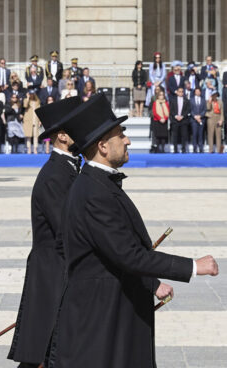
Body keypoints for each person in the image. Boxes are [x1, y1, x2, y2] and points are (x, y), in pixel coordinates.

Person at [47, 93, 220, 367]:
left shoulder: (97, 184)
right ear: (103, 146)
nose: (127, 140)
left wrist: (151, 283)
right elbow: (128, 255)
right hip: (102, 322)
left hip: (114, 314)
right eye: (120, 135)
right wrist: (193, 266)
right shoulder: (93, 192)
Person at [9, 96, 82, 368]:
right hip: (52, 274)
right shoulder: (54, 175)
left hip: (61, 270)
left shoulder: (70, 169)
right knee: (43, 354)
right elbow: (67, 232)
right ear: (62, 136)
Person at [169, 86, 190, 153]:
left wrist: (182, 116)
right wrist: (175, 116)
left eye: (182, 92)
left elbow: (188, 110)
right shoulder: (173, 100)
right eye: (179, 92)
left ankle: (183, 149)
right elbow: (171, 109)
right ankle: (175, 149)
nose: (181, 93)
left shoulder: (186, 100)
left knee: (184, 135)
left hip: (183, 120)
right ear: (177, 92)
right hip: (175, 120)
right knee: (175, 135)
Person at [22, 90, 41, 154]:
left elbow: (39, 111)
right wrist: (27, 97)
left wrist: (40, 120)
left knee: (36, 135)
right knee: (28, 135)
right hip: (28, 120)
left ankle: (35, 149)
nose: (31, 95)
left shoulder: (37, 101)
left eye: (32, 94)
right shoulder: (26, 100)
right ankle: (29, 149)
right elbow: (25, 106)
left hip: (35, 120)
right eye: (30, 94)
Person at [189, 87, 207, 153]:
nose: (197, 92)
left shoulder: (203, 100)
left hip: (201, 119)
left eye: (198, 91)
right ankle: (194, 148)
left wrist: (200, 116)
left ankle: (201, 147)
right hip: (193, 120)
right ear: (194, 92)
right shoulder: (191, 100)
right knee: (194, 133)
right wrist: (195, 116)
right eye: (196, 91)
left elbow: (205, 110)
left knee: (200, 134)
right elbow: (190, 110)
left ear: (200, 92)